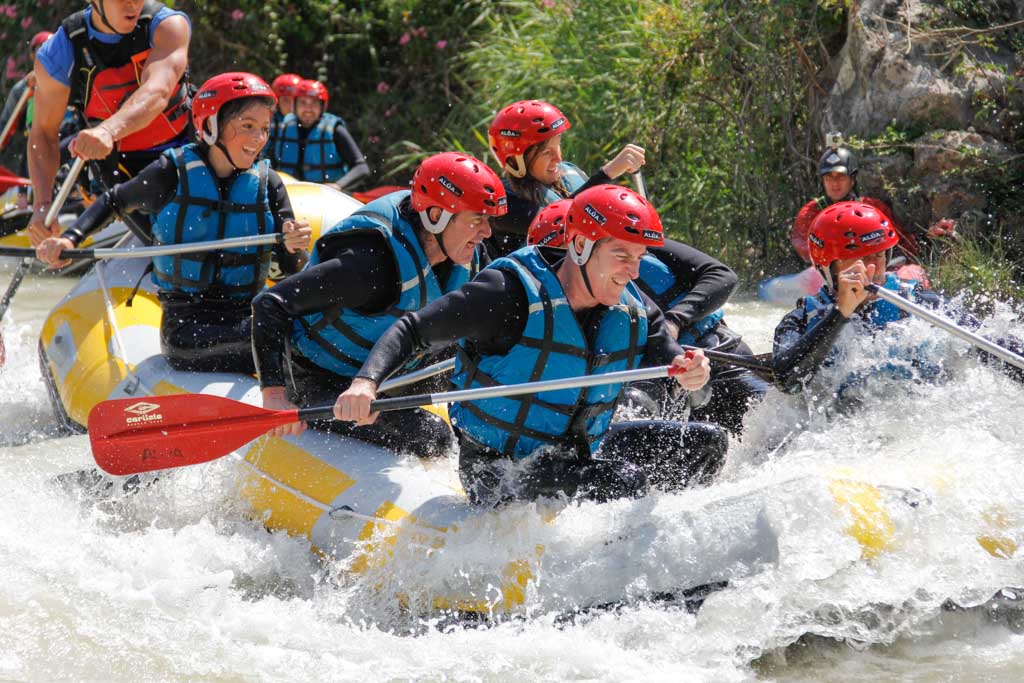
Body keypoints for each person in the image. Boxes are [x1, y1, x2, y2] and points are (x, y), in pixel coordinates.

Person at [334, 184, 728, 507]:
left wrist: (691, 366)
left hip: (576, 453)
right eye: (621, 255)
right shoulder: (507, 295)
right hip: (500, 469)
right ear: (579, 246)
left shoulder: (630, 307)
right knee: (622, 480)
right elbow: (412, 329)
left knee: (706, 443)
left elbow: (669, 352)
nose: (634, 271)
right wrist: (366, 383)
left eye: (639, 257)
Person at [36, 72, 311, 373]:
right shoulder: (172, 172)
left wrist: (295, 247)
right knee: (279, 335)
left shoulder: (268, 183)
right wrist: (70, 238)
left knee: (306, 328)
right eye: (247, 127)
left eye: (264, 129)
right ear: (209, 126)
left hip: (247, 314)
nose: (258, 139)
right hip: (187, 329)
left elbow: (289, 267)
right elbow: (115, 200)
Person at [250, 152, 506, 458]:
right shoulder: (370, 264)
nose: (487, 232)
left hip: (387, 376)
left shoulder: (470, 255)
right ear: (436, 216)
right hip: (316, 379)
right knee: (432, 435)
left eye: (488, 221)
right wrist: (275, 396)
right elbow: (269, 303)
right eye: (477, 220)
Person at [527, 199, 769, 434]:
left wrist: (675, 321)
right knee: (635, 406)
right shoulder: (549, 303)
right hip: (657, 376)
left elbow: (722, 276)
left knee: (769, 433)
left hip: (717, 351)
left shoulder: (635, 246)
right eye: (553, 262)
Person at [773, 201, 1022, 396]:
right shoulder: (803, 319)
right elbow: (788, 383)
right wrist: (839, 314)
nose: (873, 269)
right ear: (828, 266)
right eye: (859, 258)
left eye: (879, 255)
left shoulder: (917, 300)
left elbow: (989, 344)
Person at [27, 0, 193, 247]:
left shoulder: (168, 25)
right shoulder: (60, 51)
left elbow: (158, 92)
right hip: (120, 168)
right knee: (166, 250)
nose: (133, 4)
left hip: (187, 149)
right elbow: (42, 132)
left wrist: (107, 130)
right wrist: (42, 205)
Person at [484, 99, 646, 257]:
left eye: (558, 145)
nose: (558, 159)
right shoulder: (504, 202)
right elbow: (558, 226)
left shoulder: (567, 173)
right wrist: (606, 174)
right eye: (547, 152)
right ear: (516, 159)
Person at [791, 137, 956, 278]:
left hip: (871, 269)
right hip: (830, 272)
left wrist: (929, 236)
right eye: (829, 177)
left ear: (852, 179)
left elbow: (904, 244)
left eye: (841, 177)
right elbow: (803, 247)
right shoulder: (811, 211)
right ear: (823, 180)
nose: (835, 183)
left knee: (910, 270)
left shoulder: (872, 208)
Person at [268, 78, 370, 192]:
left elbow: (361, 167)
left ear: (322, 107)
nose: (308, 109)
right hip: (291, 195)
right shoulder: (284, 127)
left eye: (314, 103)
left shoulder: (335, 130)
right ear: (295, 105)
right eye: (303, 103)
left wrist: (338, 186)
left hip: (326, 196)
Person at [0, 31, 53, 208]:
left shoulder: (69, 73)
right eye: (40, 49)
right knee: (33, 147)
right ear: (33, 55)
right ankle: (26, 197)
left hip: (66, 128)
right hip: (39, 131)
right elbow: (6, 124)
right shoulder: (23, 87)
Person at [264, 73, 302, 162]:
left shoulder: (313, 125)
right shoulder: (267, 123)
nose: (291, 106)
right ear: (277, 102)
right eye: (286, 100)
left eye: (294, 101)